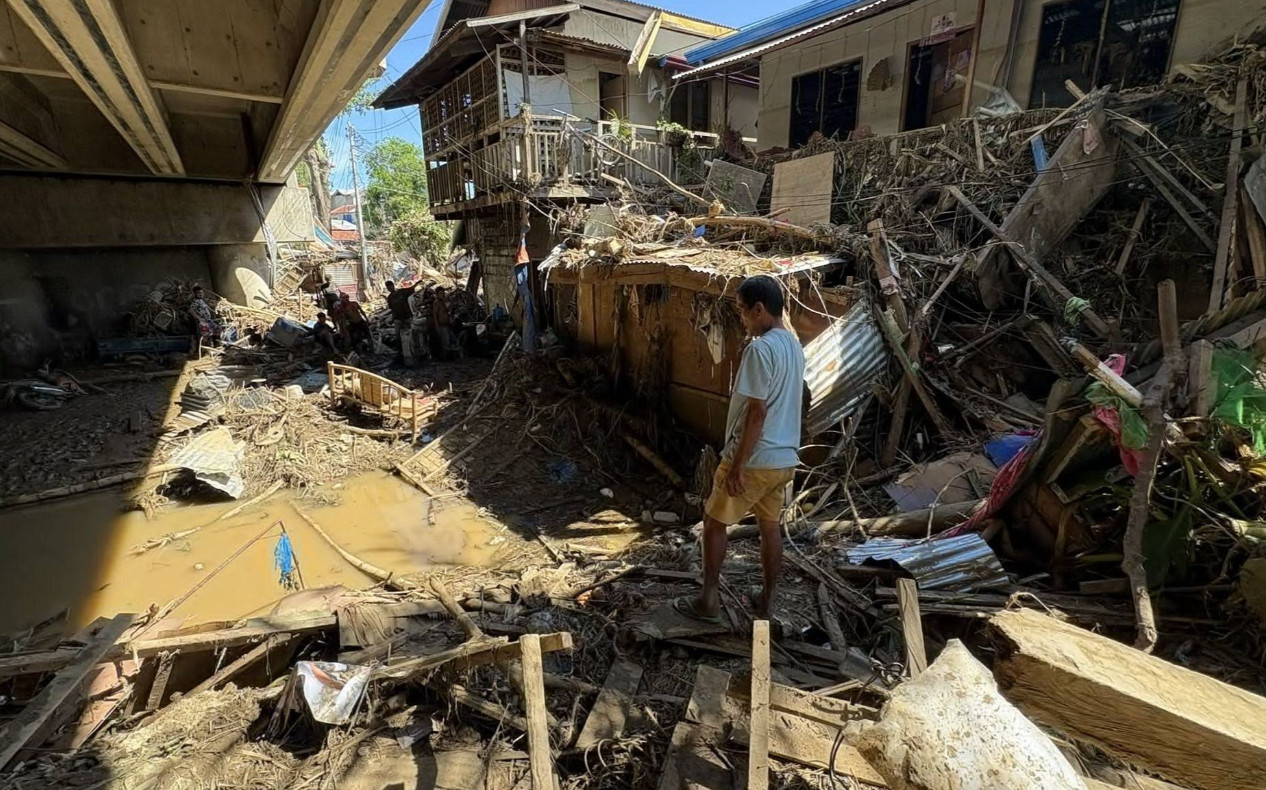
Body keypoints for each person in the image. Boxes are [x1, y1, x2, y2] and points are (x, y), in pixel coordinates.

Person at [678, 275, 804, 622]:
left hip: (754, 459)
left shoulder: (760, 350)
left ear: (759, 309)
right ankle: (767, 600)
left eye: (742, 311)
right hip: (783, 459)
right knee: (769, 526)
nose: (742, 319)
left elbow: (757, 412)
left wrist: (737, 466)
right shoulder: (794, 347)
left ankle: (708, 601)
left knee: (714, 522)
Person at [386, 280, 419, 364]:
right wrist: (392, 319)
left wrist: (418, 283)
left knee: (411, 333)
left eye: (391, 286)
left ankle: (415, 349)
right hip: (397, 319)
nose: (390, 288)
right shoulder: (390, 298)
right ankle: (401, 352)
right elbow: (392, 309)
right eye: (388, 287)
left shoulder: (401, 292)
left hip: (407, 316)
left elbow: (411, 289)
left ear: (393, 285)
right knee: (398, 336)